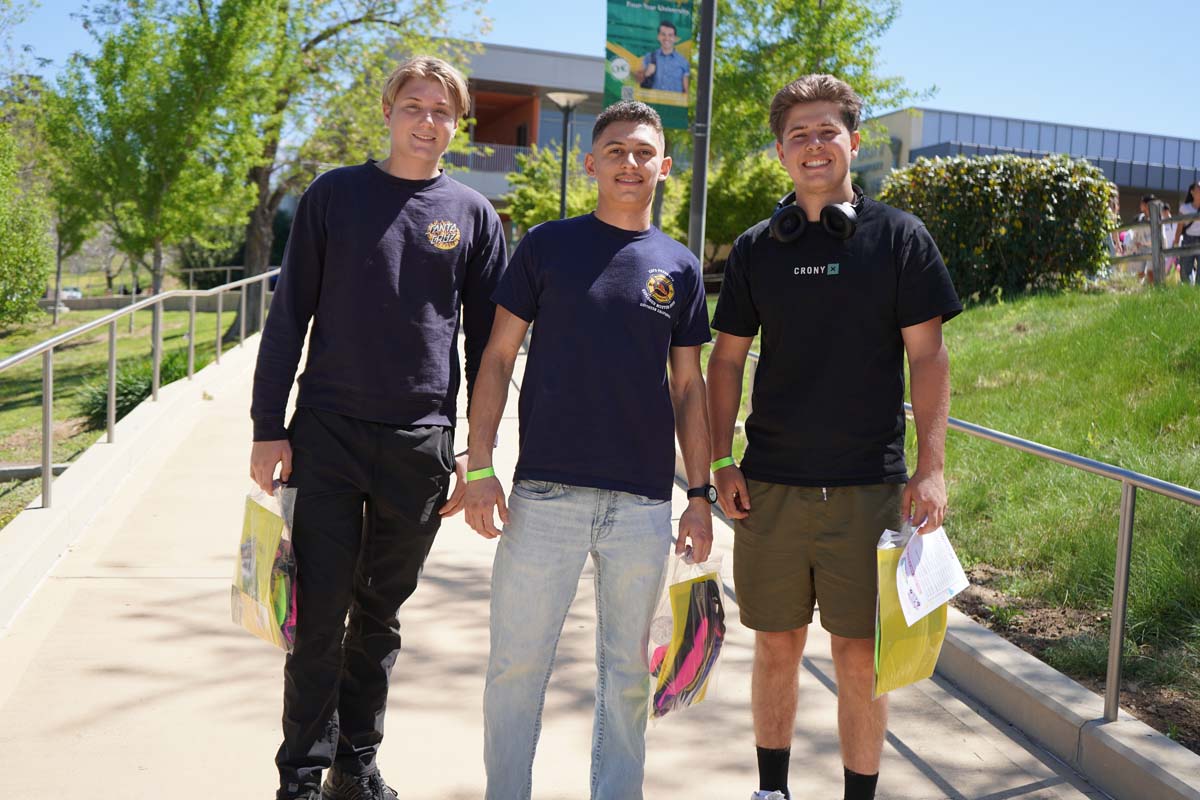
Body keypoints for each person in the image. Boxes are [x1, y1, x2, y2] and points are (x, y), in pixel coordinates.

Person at [248, 55, 507, 800]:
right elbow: (288, 315)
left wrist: (477, 456)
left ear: (457, 126)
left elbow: (487, 350)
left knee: (381, 616)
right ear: (389, 112)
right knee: (321, 613)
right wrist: (270, 427)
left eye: (442, 111)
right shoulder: (334, 196)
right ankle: (299, 777)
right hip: (326, 433)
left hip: (418, 443)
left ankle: (354, 769)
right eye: (414, 106)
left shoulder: (473, 216)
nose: (428, 122)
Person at [705, 74, 961, 800]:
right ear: (781, 152)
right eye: (798, 135)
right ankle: (772, 792)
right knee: (777, 648)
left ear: (852, 140)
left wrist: (932, 468)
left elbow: (929, 356)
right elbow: (724, 361)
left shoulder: (900, 237)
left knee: (858, 657)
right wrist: (721, 458)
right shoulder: (757, 248)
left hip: (867, 490)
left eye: (827, 131)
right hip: (772, 489)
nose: (814, 146)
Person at [463, 100, 714, 800]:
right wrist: (479, 466)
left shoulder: (681, 268)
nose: (629, 163)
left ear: (664, 167)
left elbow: (690, 388)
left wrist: (699, 496)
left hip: (642, 506)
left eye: (642, 152)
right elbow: (497, 358)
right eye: (615, 150)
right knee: (516, 669)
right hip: (545, 498)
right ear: (591, 161)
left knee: (629, 677)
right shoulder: (547, 245)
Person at [633, 21, 690, 94]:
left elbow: (686, 91)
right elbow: (637, 80)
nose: (667, 38)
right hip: (652, 103)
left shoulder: (683, 61)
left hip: (674, 104)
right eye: (663, 34)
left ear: (675, 38)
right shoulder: (649, 57)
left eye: (670, 35)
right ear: (658, 37)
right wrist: (646, 73)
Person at [1174, 181, 1200, 286]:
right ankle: (1188, 291)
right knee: (1185, 268)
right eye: (1198, 187)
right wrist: (1176, 243)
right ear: (1192, 192)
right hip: (1188, 239)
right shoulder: (1184, 208)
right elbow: (1179, 227)